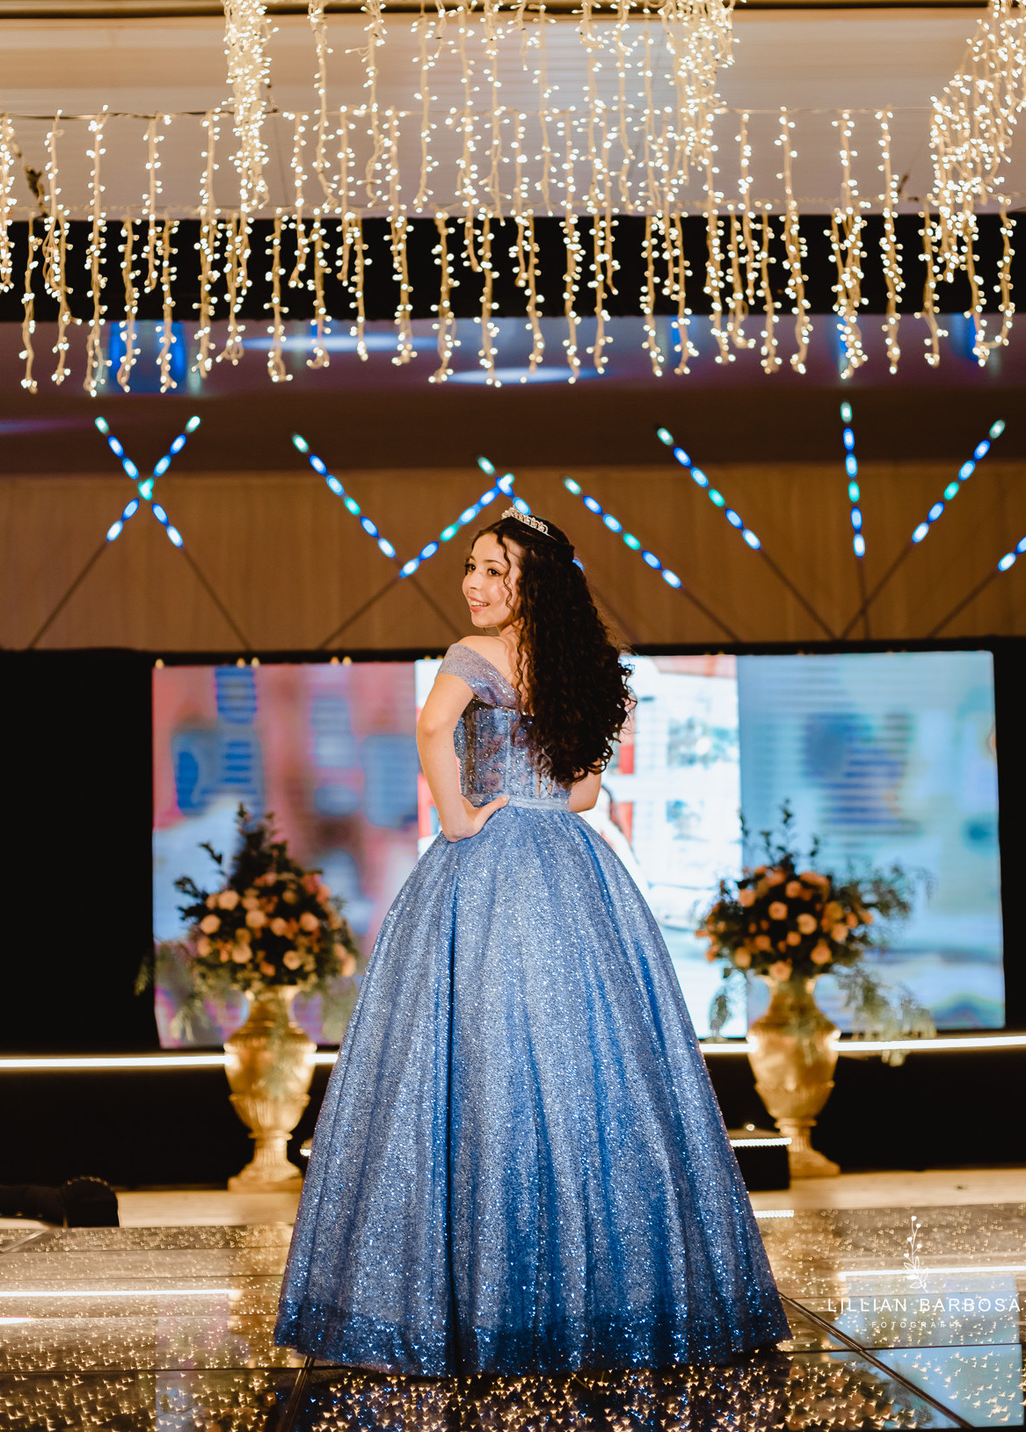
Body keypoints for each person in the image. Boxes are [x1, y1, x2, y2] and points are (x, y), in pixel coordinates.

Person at [275, 506, 788, 1379]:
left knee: (478, 1065)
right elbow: (585, 794)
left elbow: (433, 729)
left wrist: (462, 817)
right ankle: (619, 1302)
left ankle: (473, 1304)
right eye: (471, 568)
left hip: (492, 863)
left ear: (530, 587)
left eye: (494, 572)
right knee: (596, 1069)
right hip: (576, 868)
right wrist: (528, 798)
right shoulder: (580, 668)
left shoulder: (469, 660)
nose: (474, 584)